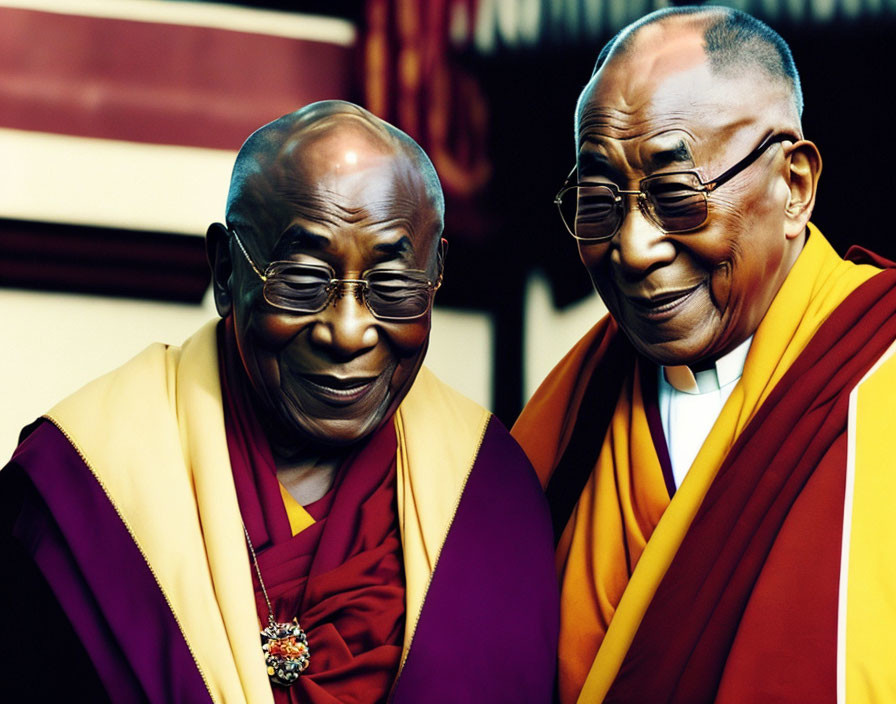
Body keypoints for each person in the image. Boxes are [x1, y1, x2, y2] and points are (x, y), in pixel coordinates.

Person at [0, 101, 558, 703]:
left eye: (393, 286)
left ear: (435, 275)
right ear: (224, 273)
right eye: (301, 282)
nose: (347, 331)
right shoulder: (87, 479)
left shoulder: (486, 490)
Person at [512, 6, 896, 703]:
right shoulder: (575, 408)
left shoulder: (880, 371)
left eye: (677, 196)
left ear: (795, 186)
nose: (633, 248)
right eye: (599, 200)